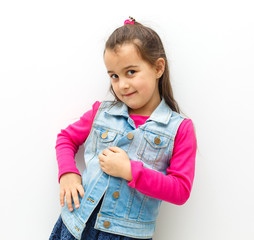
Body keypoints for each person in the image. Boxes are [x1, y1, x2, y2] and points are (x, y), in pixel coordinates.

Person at [50, 17, 197, 240]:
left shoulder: (180, 128)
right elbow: (65, 139)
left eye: (131, 72)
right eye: (114, 76)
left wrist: (130, 171)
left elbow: (180, 190)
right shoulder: (101, 112)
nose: (122, 85)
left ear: (158, 68)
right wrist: (68, 174)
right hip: (75, 225)